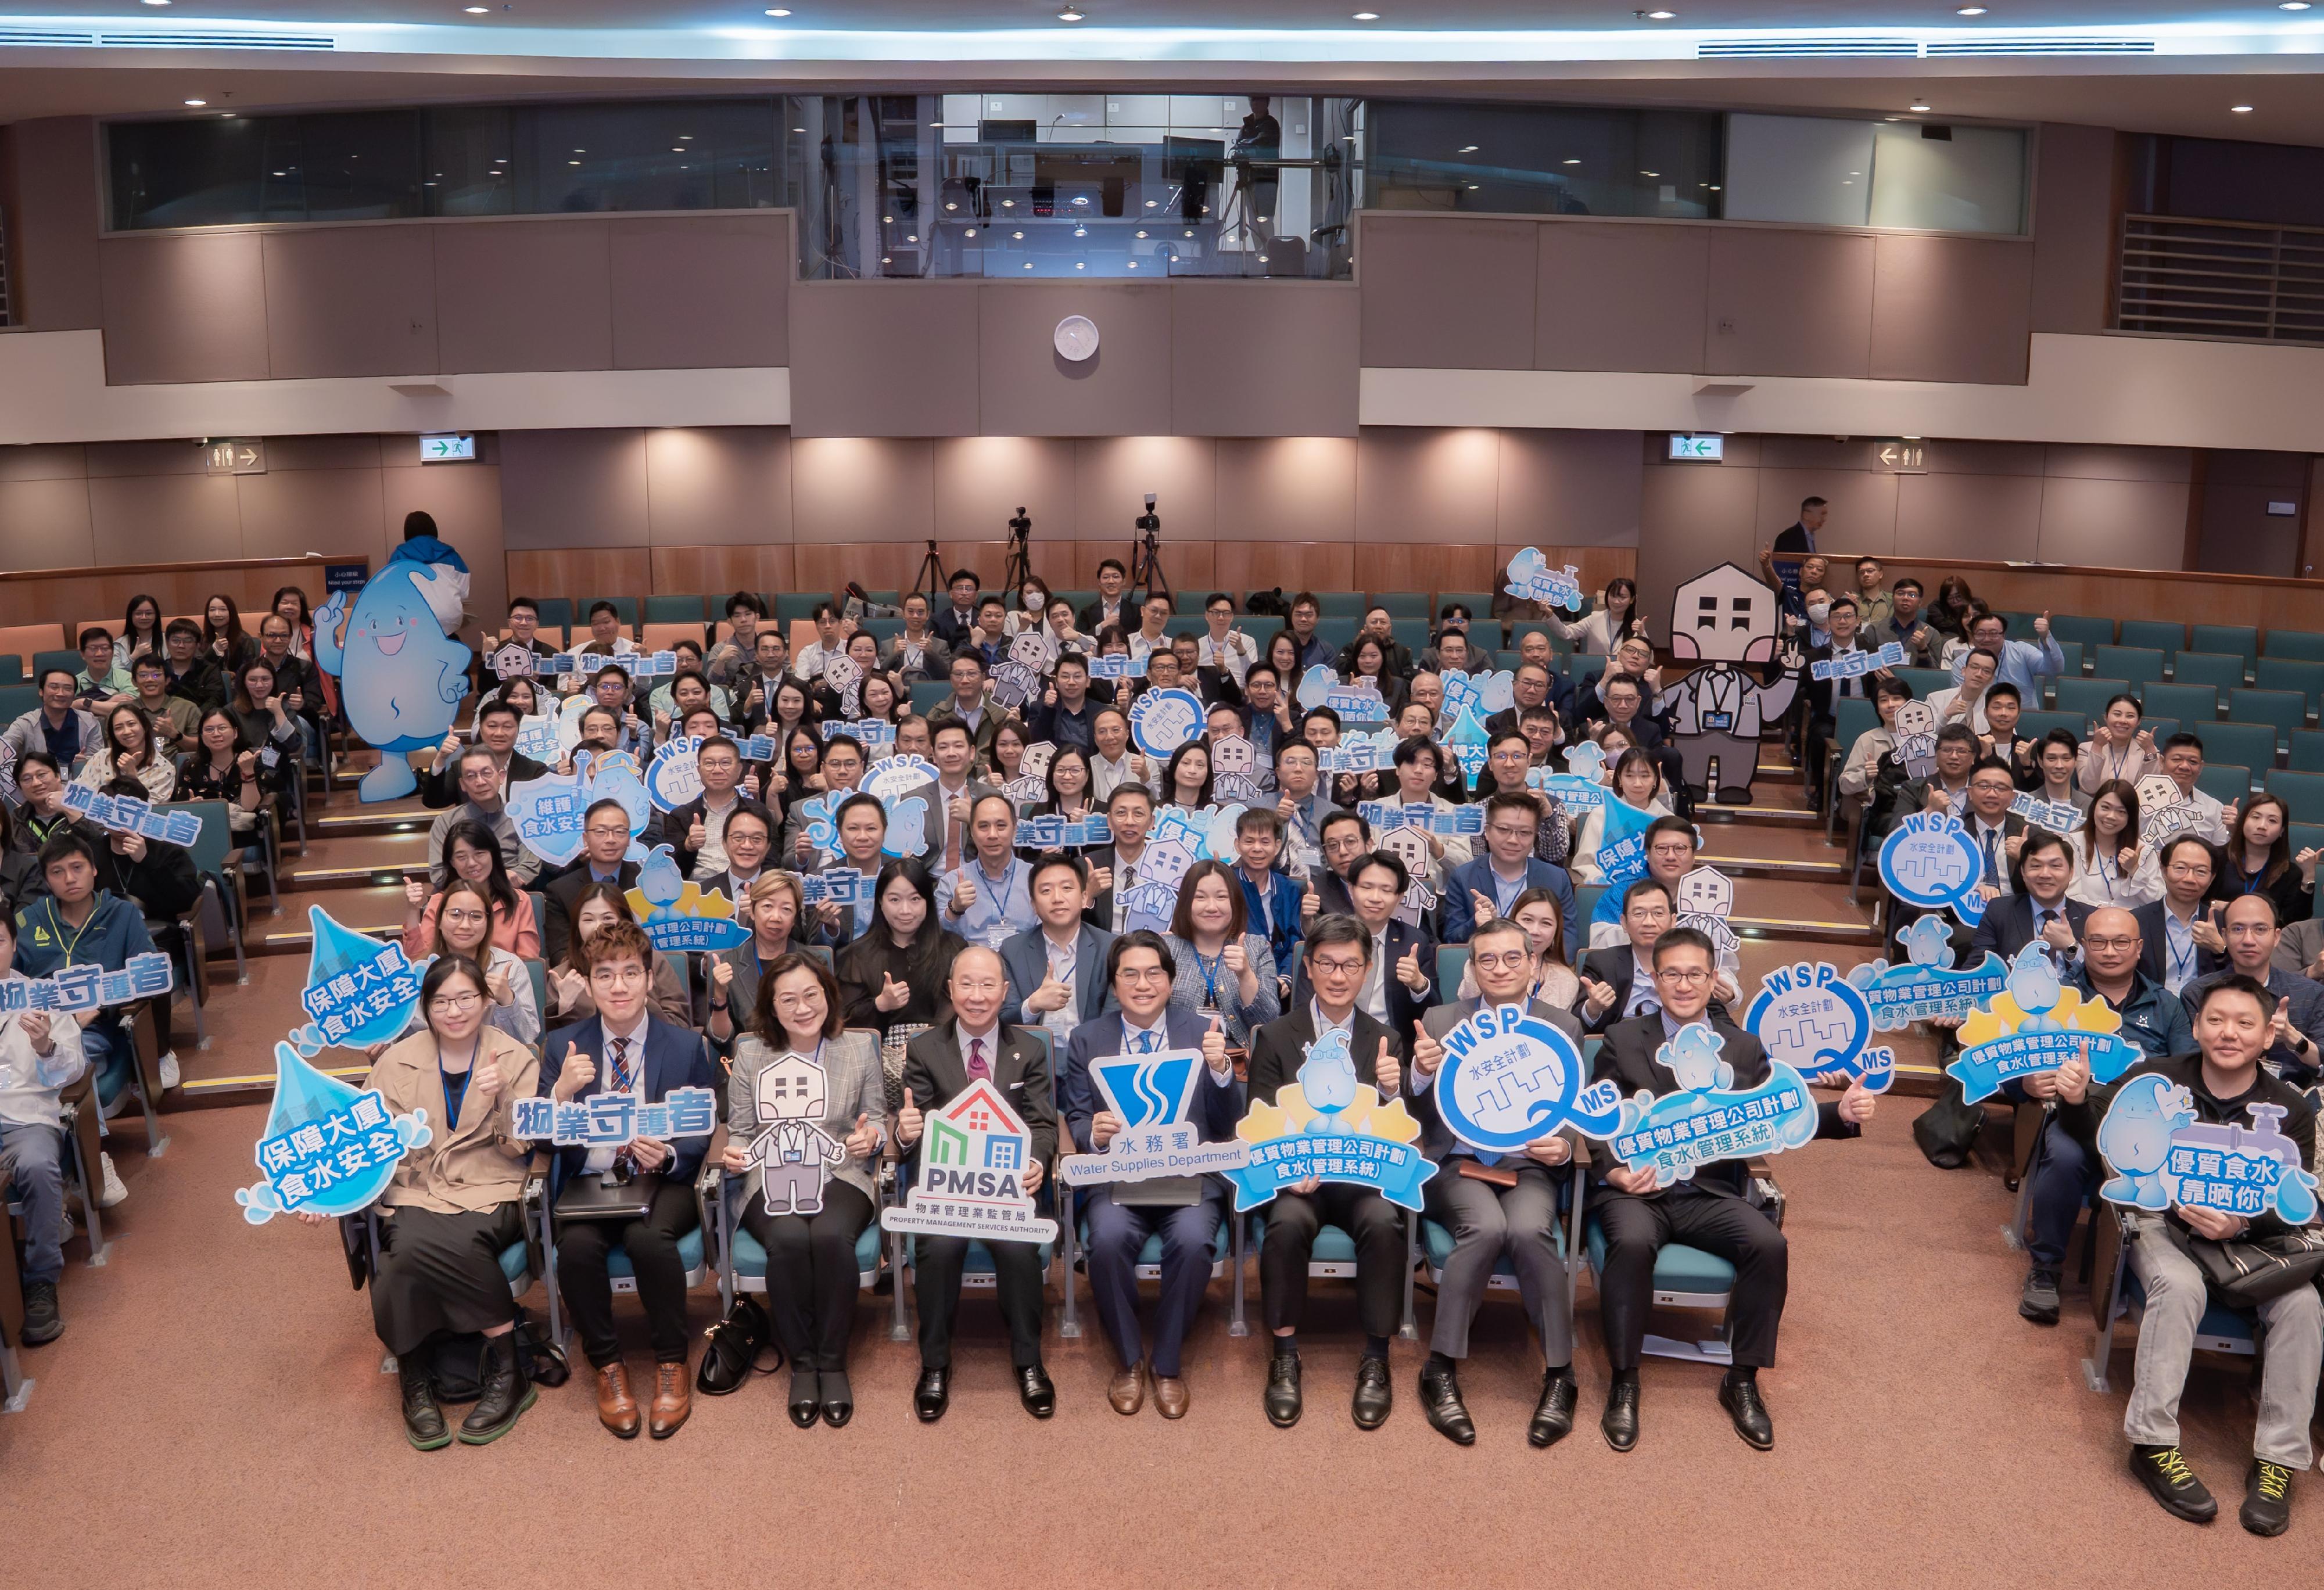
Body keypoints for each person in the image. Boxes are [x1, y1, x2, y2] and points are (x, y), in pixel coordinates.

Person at [2053, 974, 2321, 1534]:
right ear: (2196, 1026)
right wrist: (2076, 1099)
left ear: (2268, 1034)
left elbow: (2295, 1202)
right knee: (2179, 1285)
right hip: (2161, 1221)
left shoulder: (2290, 1108)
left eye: (2245, 1023)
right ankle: (2152, 1444)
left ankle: (2278, 1460)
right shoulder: (2154, 1077)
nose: (2229, 1033)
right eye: (2217, 1020)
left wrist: (2242, 1220)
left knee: (2302, 1303)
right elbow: (2099, 1133)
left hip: (2251, 1239)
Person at [1591, 927, 1874, 1451]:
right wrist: (1613, 1172)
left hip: (1711, 1192)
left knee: (1770, 1244)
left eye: (1694, 973)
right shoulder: (1622, 1038)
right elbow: (1598, 1121)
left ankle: (1742, 1378)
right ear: (1655, 977)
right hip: (1638, 1186)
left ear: (1713, 977)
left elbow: (1778, 1116)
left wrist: (1842, 1115)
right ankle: (1624, 1379)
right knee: (1630, 1244)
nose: (1683, 984)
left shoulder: (1743, 1048)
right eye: (1671, 973)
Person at [320, 954, 540, 1448]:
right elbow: (361, 1138)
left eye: (465, 998)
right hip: (417, 1186)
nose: (454, 1010)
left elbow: (520, 1147)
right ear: (425, 1007)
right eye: (441, 1001)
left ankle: (489, 1376)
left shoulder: (516, 1056)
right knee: (405, 1249)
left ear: (486, 1001)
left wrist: (504, 1096)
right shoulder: (396, 1060)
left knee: (411, 1251)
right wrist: (330, 1194)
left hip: (489, 1187)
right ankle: (430, 1378)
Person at [1407, 916, 1588, 1447]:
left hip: (1528, 1164)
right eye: (1487, 959)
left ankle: (1561, 1373)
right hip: (1457, 1163)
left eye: (1513, 957)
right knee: (1485, 1228)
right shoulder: (1440, 1020)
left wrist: (1567, 1144)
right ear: (1473, 969)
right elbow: (1411, 1110)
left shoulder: (1563, 1025)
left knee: (1531, 1231)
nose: (1501, 968)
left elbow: (1578, 1107)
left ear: (1534, 965)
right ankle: (1440, 1367)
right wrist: (1419, 1072)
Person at [540, 918, 718, 1440]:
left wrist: (667, 1156)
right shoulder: (562, 1048)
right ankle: (608, 1366)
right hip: (590, 1181)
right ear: (589, 983)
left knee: (648, 1237)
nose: (619, 986)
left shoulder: (685, 1046)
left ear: (648, 978)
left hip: (663, 1182)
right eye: (605, 975)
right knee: (576, 1248)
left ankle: (671, 1362)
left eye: (631, 973)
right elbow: (543, 1142)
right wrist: (561, 1097)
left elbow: (701, 1131)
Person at [1060, 929, 1240, 1419]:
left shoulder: (1201, 1030)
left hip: (1189, 1179)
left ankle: (1166, 1363)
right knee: (1108, 1238)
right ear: (1114, 984)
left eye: (1154, 972)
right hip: (1118, 1178)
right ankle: (1128, 1361)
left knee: (1193, 1240)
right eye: (1130, 974)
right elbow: (1075, 1116)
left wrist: (1222, 1070)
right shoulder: (1087, 1038)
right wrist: (1093, 1132)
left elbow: (1227, 1123)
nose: (1143, 983)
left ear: (1170, 979)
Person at [1247, 916, 1413, 1429]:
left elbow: (1402, 1127)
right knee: (1287, 1222)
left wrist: (1392, 1090)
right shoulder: (1275, 1034)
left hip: (1362, 1179)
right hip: (1300, 1178)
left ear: (1368, 969)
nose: (1338, 976)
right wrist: (1285, 1170)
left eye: (1350, 965)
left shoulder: (1386, 1039)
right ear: (1309, 967)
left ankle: (1376, 1357)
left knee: (1386, 1222)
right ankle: (1284, 1353)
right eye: (1326, 963)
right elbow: (1259, 1118)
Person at [721, 951, 884, 1429]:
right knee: (790, 1238)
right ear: (772, 1006)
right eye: (788, 998)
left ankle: (832, 1361)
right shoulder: (751, 1052)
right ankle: (803, 1363)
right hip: (769, 1172)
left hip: (841, 1169)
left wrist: (869, 1136)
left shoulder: (856, 1048)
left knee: (832, 1236)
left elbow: (875, 1115)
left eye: (811, 994)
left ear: (828, 996)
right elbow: (741, 1129)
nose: (802, 1007)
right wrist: (734, 1151)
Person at [894, 946, 1056, 1420]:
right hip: (946, 1189)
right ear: (950, 989)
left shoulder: (1030, 1048)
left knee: (1016, 1247)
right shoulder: (925, 1048)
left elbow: (1043, 1124)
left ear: (1006, 992)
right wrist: (905, 1131)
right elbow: (914, 1119)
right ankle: (935, 1365)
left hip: (1006, 1188)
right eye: (967, 984)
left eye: (989, 985)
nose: (978, 996)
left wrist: (1038, 1162)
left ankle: (1029, 1361)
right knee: (940, 1248)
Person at [2014, 905, 2193, 1326]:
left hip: (2147, 1119)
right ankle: (2046, 1270)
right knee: (2065, 1156)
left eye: (2121, 942)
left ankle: (2137, 1275)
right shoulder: (2054, 998)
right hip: (2074, 1110)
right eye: (2098, 941)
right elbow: (2012, 1061)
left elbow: (2188, 1070)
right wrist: (2025, 1083)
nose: (2109, 951)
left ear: (2139, 947)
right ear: (2084, 944)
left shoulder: (2166, 1005)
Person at [13, 831, 160, 1121]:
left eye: (77, 868)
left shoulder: (123, 914)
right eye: (58, 871)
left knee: (68, 1062)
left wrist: (99, 1007)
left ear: (93, 869)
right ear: (46, 879)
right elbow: (10, 977)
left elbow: (147, 976)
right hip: (33, 1028)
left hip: (94, 1030)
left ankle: (91, 1158)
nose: (69, 879)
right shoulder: (28, 919)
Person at [0, 909, 88, 1346]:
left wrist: (45, 1046)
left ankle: (40, 1281)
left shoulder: (43, 996)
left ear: (14, 944)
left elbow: (74, 1069)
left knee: (37, 1166)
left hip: (26, 1119)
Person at [2182, 893, 2324, 1085]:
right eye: (2238, 929)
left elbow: (2321, 1063)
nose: (2248, 940)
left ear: (2276, 937)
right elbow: (2188, 1064)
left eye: (2260, 929)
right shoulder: (2197, 993)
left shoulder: (2310, 994)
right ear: (2224, 935)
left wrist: (2293, 1038)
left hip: (2293, 1100)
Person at [834, 858, 965, 1037]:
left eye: (915, 899)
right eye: (895, 900)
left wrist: (924, 1048)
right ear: (880, 901)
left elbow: (962, 1009)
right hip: (879, 1054)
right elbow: (844, 1023)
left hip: (941, 1052)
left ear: (928, 902)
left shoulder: (953, 949)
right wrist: (880, 1004)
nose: (905, 910)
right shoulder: (856, 956)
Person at [402, 880, 539, 1047]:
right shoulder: (420, 972)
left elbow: (528, 1037)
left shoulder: (509, 967)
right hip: (431, 1066)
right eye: (455, 915)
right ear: (439, 919)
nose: (465, 925)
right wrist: (380, 1051)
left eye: (476, 916)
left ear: (488, 923)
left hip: (496, 1065)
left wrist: (507, 1000)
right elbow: (403, 1043)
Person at [1442, 791, 1579, 955]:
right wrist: (1477, 923)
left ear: (1535, 835)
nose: (1513, 840)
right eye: (1504, 829)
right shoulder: (1463, 878)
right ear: (1487, 831)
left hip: (1539, 971)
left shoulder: (1557, 879)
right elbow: (1451, 940)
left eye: (1524, 833)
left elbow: (1568, 941)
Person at [1167, 857, 1282, 1047]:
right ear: (1186, 903)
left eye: (1221, 897)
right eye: (1200, 897)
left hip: (1242, 1065)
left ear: (1234, 902)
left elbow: (1269, 1025)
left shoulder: (1257, 949)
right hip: (1180, 1062)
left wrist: (1245, 975)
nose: (1212, 907)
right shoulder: (1165, 949)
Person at [543, 882, 690, 1029]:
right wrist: (564, 1006)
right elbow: (555, 1046)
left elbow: (681, 1027)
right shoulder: (562, 975)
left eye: (607, 918)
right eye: (588, 920)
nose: (598, 927)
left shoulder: (654, 962)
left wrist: (641, 1000)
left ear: (624, 921)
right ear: (577, 927)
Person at [998, 853, 1116, 1035]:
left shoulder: (1110, 948)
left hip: (1092, 1054)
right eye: (1046, 891)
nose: (1058, 898)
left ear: (1084, 897)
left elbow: (1114, 1018)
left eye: (1067, 888)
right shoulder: (1013, 950)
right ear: (1034, 906)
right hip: (1036, 1057)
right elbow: (1004, 1020)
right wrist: (1032, 1005)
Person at [403, 817, 541, 959]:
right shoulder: (440, 902)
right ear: (452, 863)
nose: (472, 863)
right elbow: (420, 961)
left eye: (479, 854)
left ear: (493, 855)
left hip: (505, 978)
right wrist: (413, 910)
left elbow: (529, 962)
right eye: (462, 857)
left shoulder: (519, 900)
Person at [704, 872, 810, 1047]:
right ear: (752, 912)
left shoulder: (813, 962)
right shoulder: (726, 963)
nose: (776, 917)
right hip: (750, 1062)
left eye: (786, 909)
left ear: (794, 920)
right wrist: (720, 996)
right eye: (768, 906)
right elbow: (720, 1039)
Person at [1967, 830, 2090, 968]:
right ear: (2023, 873)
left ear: (2071, 873)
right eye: (2036, 866)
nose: (2045, 874)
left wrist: (2071, 947)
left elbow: (2107, 976)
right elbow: (1977, 967)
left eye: (2055, 866)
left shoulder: (2090, 917)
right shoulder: (1999, 911)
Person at [540, 799, 642, 965]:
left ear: (629, 838)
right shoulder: (560, 891)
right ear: (586, 838)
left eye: (619, 832)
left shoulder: (645, 883)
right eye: (601, 832)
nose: (611, 839)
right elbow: (560, 952)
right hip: (584, 977)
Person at [425, 746, 537, 891]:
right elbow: (439, 875)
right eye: (471, 776)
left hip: (512, 893)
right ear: (463, 784)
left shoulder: (522, 816)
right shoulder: (446, 822)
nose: (480, 782)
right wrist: (484, 883)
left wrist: (504, 882)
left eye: (486, 773)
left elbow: (530, 866)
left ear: (501, 776)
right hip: (462, 895)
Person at [937, 793, 1037, 947]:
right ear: (971, 832)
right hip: (971, 966)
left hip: (1024, 965)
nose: (992, 835)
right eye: (983, 826)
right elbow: (937, 935)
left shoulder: (1036, 878)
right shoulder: (951, 882)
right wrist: (955, 908)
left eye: (1001, 826)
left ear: (1015, 830)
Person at [1587, 815, 1699, 948]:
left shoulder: (1705, 895)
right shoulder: (1622, 892)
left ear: (1693, 856)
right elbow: (1599, 943)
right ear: (1648, 853)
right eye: (1662, 848)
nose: (1670, 856)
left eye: (1680, 848)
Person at [2135, 835, 2225, 996]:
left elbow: (2244, 977)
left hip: (2204, 1011)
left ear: (2212, 878)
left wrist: (2221, 949)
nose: (2190, 879)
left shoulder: (2224, 924)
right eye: (2180, 868)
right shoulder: (2137, 922)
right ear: (2164, 871)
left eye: (2201, 872)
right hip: (2151, 1009)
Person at [2213, 793, 2318, 925]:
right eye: (2256, 817)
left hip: (2264, 941)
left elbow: (2296, 922)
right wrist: (2214, 904)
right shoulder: (2218, 859)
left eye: (2272, 821)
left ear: (2281, 831)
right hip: (2216, 931)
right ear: (2243, 821)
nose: (2262, 826)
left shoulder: (2290, 874)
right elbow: (2197, 901)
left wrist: (2309, 876)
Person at [1230, 807, 1303, 981]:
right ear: (1237, 845)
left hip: (1279, 979)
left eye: (1265, 842)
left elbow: (1295, 941)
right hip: (1233, 975)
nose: (1257, 849)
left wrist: (1286, 977)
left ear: (1277, 846)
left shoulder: (1290, 889)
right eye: (1249, 841)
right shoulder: (1227, 884)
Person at [2069, 779, 2161, 909]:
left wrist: (2135, 870)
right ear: (2094, 806)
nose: (2111, 816)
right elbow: (2068, 895)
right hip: (2085, 922)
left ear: (2131, 817)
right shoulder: (2073, 844)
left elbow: (2158, 900)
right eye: (2105, 808)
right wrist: (2108, 915)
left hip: (2132, 925)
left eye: (2121, 812)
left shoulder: (2143, 852)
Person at [1083, 781, 1154, 934]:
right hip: (1103, 954)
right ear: (1109, 820)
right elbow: (1075, 928)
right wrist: (1088, 897)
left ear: (1151, 822)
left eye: (1139, 814)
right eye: (1121, 813)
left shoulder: (1168, 871)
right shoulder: (1087, 866)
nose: (1129, 821)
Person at [2, 669, 102, 772]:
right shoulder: (25, 723)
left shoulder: (90, 722)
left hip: (79, 782)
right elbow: (4, 751)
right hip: (38, 784)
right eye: (54, 687)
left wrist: (85, 763)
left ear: (74, 694)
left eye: (68, 689)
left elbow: (98, 761)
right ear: (41, 691)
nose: (60, 693)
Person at [74, 702, 176, 801]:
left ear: (144, 726)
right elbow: (77, 796)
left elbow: (155, 810)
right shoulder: (102, 758)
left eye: (131, 724)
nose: (126, 732)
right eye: (118, 728)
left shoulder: (164, 768)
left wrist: (132, 776)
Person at [1952, 609, 2064, 700]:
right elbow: (1962, 701)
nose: (1986, 639)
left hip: (2022, 718)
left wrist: (2046, 637)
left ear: (2004, 634)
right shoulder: (1962, 663)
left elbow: (2054, 669)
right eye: (1980, 634)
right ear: (1972, 636)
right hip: (1979, 721)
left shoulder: (2022, 651)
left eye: (1993, 633)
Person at [1545, 577, 1647, 656]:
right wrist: (1549, 614)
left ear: (1632, 599)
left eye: (1622, 597)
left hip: (1624, 677)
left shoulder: (1636, 625)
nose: (1616, 601)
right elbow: (1566, 633)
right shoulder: (1595, 618)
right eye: (1613, 596)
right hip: (1596, 674)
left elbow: (1649, 658)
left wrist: (1642, 634)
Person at [127, 655, 200, 754]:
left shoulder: (187, 708)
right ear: (134, 681)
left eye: (156, 675)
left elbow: (202, 747)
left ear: (168, 680)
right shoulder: (125, 711)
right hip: (135, 766)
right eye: (143, 675)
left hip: (178, 767)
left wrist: (175, 735)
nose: (150, 680)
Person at [159, 619, 226, 711]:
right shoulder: (158, 670)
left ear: (198, 645)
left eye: (188, 641)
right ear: (167, 643)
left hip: (201, 721)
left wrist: (194, 719)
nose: (181, 646)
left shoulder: (209, 670)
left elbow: (215, 701)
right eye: (176, 641)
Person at [71, 626, 135, 712]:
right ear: (82, 654)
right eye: (93, 649)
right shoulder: (74, 682)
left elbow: (130, 709)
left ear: (112, 653)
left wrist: (83, 703)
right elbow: (66, 711)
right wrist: (110, 702)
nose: (99, 654)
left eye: (105, 648)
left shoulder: (128, 678)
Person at [200, 594, 259, 674]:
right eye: (212, 610)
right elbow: (198, 667)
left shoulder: (244, 640)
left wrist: (232, 676)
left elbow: (249, 670)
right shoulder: (201, 639)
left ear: (231, 613)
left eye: (223, 610)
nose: (217, 614)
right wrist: (213, 650)